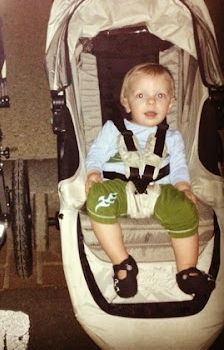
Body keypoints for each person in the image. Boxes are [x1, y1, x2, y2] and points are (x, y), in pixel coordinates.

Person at [85, 63, 215, 298]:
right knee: (97, 199)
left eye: (160, 96)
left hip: (159, 191)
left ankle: (187, 269)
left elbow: (178, 167)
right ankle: (122, 263)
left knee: (185, 208)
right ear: (127, 103)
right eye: (141, 96)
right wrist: (93, 172)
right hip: (120, 189)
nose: (151, 102)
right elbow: (96, 153)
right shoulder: (113, 129)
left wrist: (183, 187)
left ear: (171, 104)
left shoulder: (172, 137)